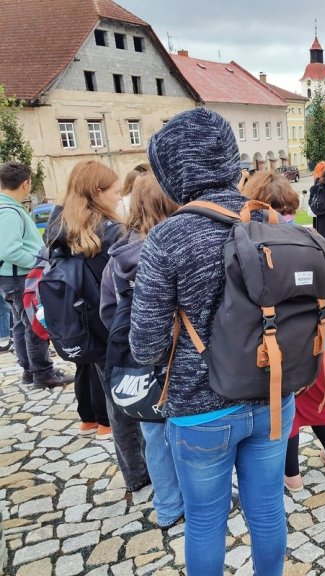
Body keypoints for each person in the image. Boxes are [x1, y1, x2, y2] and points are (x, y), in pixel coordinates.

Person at [130, 108, 293, 576]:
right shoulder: (270, 223)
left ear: (171, 172)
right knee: (267, 511)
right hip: (273, 396)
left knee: (204, 521)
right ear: (228, 157)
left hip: (202, 410)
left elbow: (144, 345)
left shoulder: (168, 238)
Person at [47, 160, 150, 492]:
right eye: (115, 190)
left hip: (84, 328)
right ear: (97, 192)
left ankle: (133, 474)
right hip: (114, 329)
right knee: (137, 400)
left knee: (114, 402)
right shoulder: (109, 232)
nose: (119, 196)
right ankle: (148, 471)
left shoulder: (59, 226)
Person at [243, 171, 325, 492]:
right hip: (320, 342)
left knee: (285, 412)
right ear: (291, 203)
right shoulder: (315, 240)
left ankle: (293, 476)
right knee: (324, 401)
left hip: (276, 347)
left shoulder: (248, 244)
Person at [100, 172, 184, 528]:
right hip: (184, 357)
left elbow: (108, 312)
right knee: (188, 431)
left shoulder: (118, 257)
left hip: (141, 359)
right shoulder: (182, 247)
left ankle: (167, 507)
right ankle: (204, 499)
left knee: (153, 432)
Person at [0, 162, 71, 389]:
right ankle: (43, 373)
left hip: (12, 277)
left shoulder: (7, 207)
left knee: (21, 326)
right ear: (26, 183)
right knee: (34, 325)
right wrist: (37, 265)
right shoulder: (9, 211)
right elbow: (9, 249)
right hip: (20, 277)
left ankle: (30, 371)